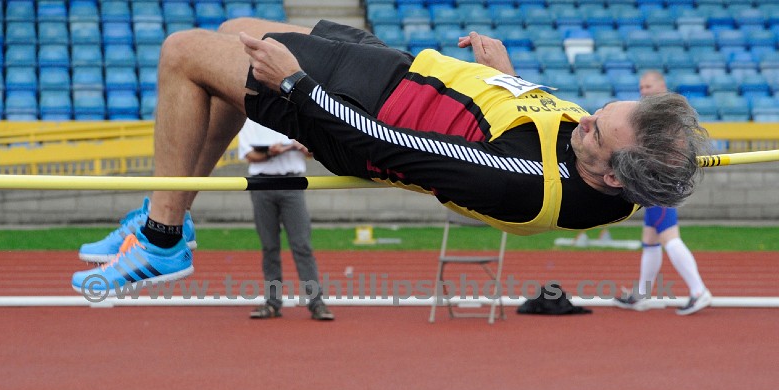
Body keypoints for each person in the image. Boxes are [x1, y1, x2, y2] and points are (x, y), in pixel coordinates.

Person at [71, 18, 709, 294]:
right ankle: (169, 215)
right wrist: (510, 80)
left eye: (593, 131)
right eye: (601, 108)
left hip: (354, 110)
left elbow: (388, 146)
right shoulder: (611, 163)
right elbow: (534, 133)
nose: (585, 119)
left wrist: (297, 86)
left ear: (609, 176)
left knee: (182, 53)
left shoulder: (525, 184)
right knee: (232, 34)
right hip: (398, 72)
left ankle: (162, 236)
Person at [613, 70, 712, 315]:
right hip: (656, 180)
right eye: (641, 87)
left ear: (661, 86)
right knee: (650, 239)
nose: (643, 91)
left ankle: (699, 290)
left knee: (669, 236)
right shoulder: (657, 111)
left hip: (662, 181)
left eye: (648, 86)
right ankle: (642, 294)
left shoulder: (665, 112)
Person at [238, 119, 334, 320]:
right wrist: (269, 153)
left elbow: (313, 151)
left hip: (292, 183)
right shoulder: (251, 120)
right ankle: (273, 303)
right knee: (269, 246)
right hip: (261, 184)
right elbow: (249, 154)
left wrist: (304, 147)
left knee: (302, 245)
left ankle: (316, 302)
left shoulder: (293, 116)